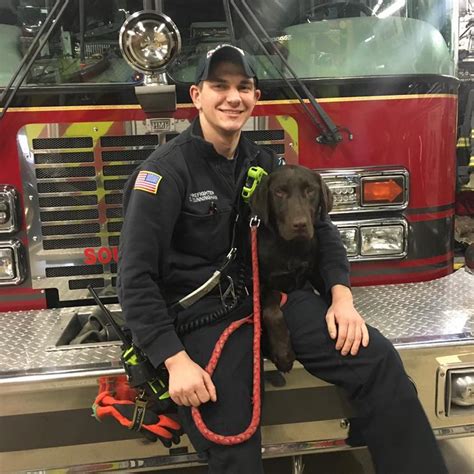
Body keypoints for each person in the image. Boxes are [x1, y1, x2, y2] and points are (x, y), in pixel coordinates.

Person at [118, 44, 447, 474]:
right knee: (234, 437)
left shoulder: (262, 162)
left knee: (377, 360)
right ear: (196, 95)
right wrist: (173, 360)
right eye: (220, 86)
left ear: (255, 97)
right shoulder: (164, 173)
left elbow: (322, 230)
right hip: (203, 317)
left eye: (243, 87)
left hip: (271, 298)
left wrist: (341, 296)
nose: (233, 97)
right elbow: (134, 278)